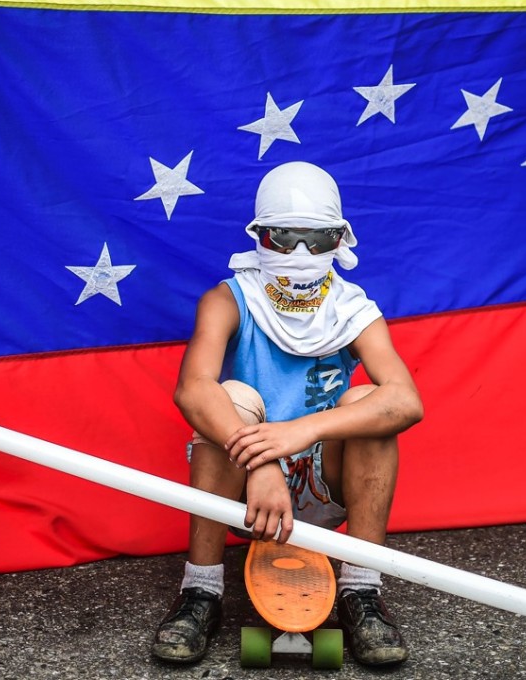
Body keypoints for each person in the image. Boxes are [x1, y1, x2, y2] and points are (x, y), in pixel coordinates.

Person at [151, 161, 423, 667]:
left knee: (371, 404)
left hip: (322, 479)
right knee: (227, 396)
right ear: (259, 236)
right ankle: (202, 590)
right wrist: (262, 459)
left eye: (316, 240)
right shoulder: (229, 298)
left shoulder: (354, 309)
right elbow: (192, 389)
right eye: (284, 237)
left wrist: (297, 433)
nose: (300, 254)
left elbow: (406, 401)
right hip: (246, 485)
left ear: (341, 239)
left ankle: (361, 589)